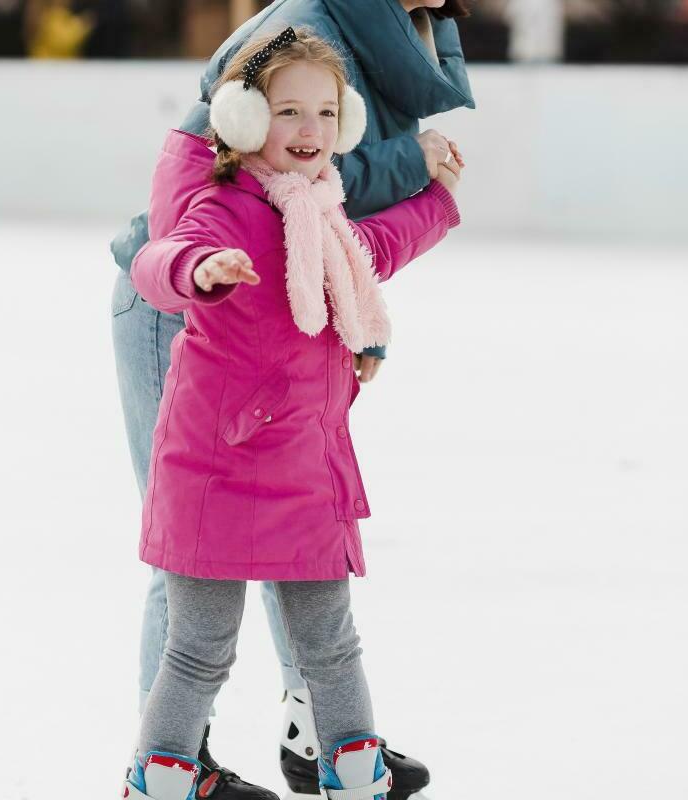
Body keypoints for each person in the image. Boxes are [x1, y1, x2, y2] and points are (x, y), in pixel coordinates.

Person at [110, 1, 474, 795]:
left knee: (330, 642)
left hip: (304, 468)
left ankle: (351, 763)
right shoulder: (227, 210)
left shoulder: (322, 213)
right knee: (199, 647)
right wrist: (197, 270)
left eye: (326, 114)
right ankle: (164, 772)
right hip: (215, 468)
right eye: (288, 112)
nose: (310, 129)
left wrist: (437, 203)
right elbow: (158, 257)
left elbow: (373, 249)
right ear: (244, 121)